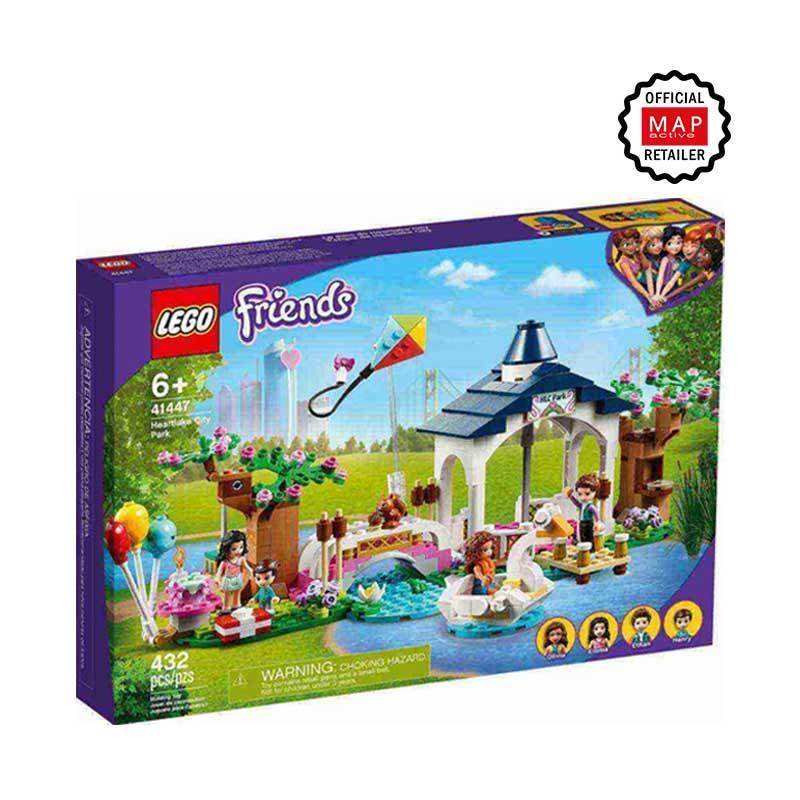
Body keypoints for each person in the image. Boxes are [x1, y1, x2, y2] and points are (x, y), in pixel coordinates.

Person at [214, 530, 254, 612]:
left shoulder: (241, 559)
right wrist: (217, 578)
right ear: (227, 549)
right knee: (227, 594)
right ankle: (226, 607)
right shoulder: (225, 562)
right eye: (234, 549)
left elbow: (247, 567)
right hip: (228, 579)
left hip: (237, 578)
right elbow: (219, 572)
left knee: (237, 592)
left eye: (241, 547)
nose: (238, 551)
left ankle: (236, 605)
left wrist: (251, 571)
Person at [564, 473, 604, 550]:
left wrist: (598, 522)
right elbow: (577, 504)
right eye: (580, 494)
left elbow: (596, 514)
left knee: (589, 538)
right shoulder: (582, 505)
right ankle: (584, 550)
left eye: (587, 494)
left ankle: (590, 551)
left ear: (594, 492)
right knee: (582, 538)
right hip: (582, 523)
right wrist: (571, 497)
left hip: (589, 524)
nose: (583, 497)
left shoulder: (590, 506)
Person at [464, 531, 496, 595]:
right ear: (476, 552)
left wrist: (504, 558)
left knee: (497, 590)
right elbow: (478, 573)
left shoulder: (488, 561)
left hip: (489, 584)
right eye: (485, 550)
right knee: (495, 592)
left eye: (491, 548)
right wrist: (483, 579)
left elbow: (496, 563)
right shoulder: (478, 565)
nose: (489, 552)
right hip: (481, 587)